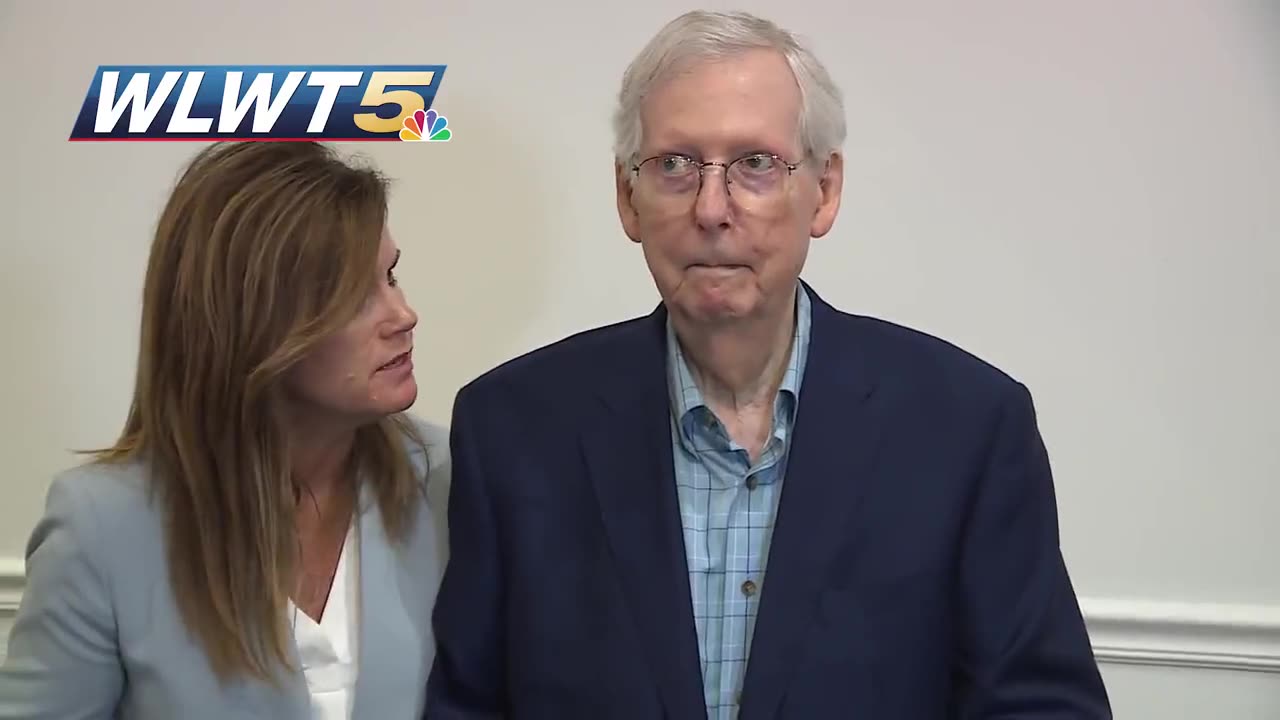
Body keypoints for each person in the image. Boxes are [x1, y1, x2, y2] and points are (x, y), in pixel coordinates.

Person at [426, 9, 1111, 720]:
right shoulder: (513, 427)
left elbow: (1041, 708)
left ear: (826, 189)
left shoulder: (966, 426)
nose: (712, 208)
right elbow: (470, 705)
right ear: (627, 196)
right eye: (674, 165)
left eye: (755, 164)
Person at [0, 141, 450, 719]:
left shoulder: (450, 479)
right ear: (253, 319)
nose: (402, 315)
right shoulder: (103, 525)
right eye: (356, 295)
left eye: (391, 276)